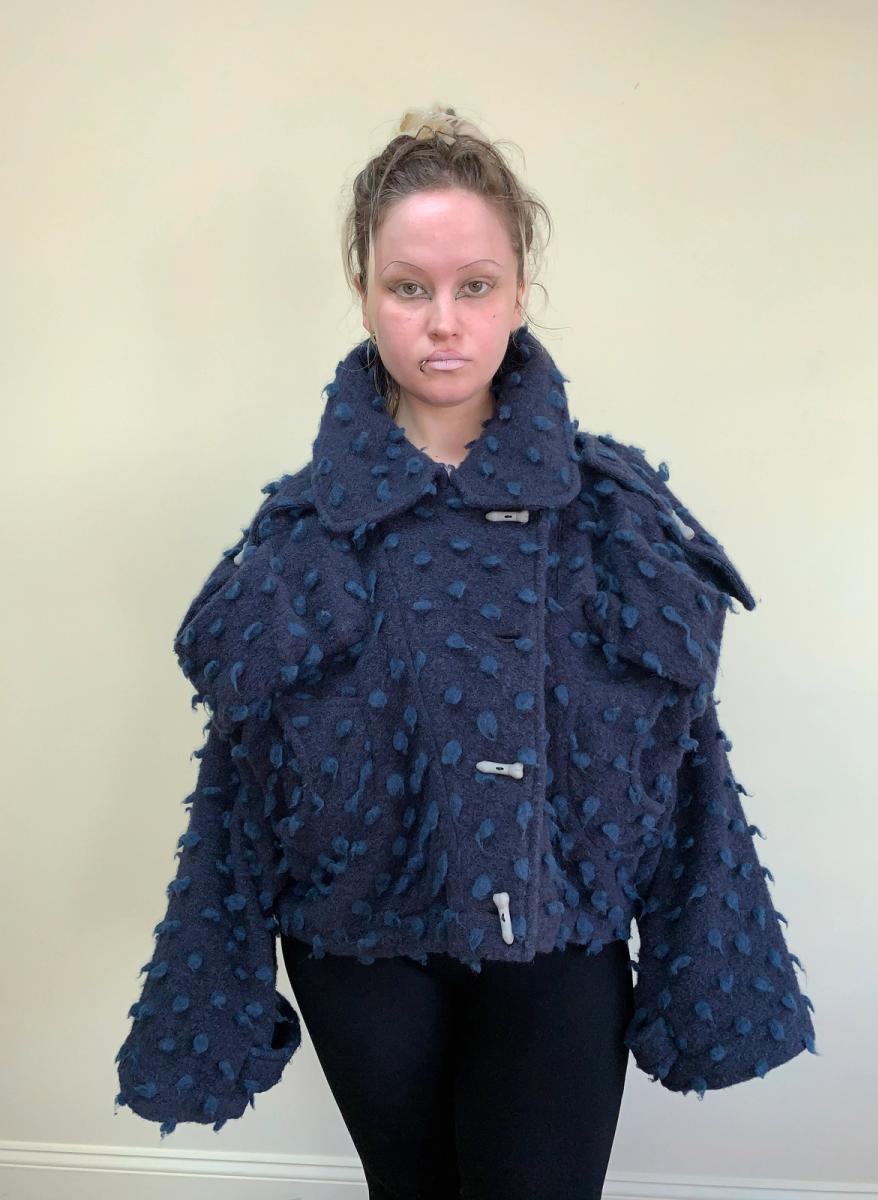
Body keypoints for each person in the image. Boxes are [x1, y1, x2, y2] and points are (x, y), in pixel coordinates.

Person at [114, 104, 817, 1199]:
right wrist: (214, 989)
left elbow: (687, 765)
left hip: (563, 947)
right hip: (359, 950)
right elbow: (238, 789)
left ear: (519, 292)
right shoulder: (302, 536)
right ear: (365, 294)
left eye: (474, 285)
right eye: (410, 287)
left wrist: (708, 969)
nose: (443, 322)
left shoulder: (612, 519)